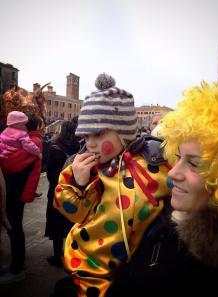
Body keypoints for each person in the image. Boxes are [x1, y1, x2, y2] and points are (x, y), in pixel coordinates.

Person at [53, 73, 171, 297]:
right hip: (88, 261)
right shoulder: (81, 165)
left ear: (123, 133)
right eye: (86, 136)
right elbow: (74, 214)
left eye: (97, 134)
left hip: (137, 266)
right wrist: (78, 183)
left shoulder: (153, 161)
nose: (90, 144)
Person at [106, 81, 218, 295]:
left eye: (194, 163)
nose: (172, 173)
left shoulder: (197, 268)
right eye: (178, 157)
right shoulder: (166, 218)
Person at [0, 113, 43, 284]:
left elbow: (12, 165)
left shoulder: (33, 142)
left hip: (17, 191)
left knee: (15, 227)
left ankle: (17, 269)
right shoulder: (28, 141)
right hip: (17, 189)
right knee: (13, 227)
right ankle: (14, 264)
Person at [45, 120, 80, 267]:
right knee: (73, 223)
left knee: (56, 224)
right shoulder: (80, 147)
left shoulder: (55, 148)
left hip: (57, 191)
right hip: (76, 191)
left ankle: (57, 256)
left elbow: (50, 173)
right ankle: (71, 255)